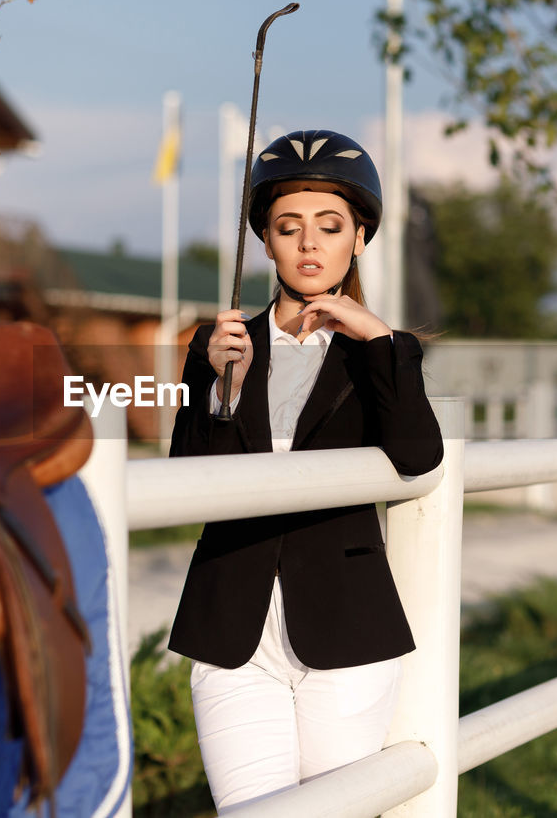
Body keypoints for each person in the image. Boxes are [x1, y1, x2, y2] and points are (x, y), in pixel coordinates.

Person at [167, 129, 444, 811]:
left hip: (346, 628)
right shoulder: (221, 346)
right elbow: (184, 478)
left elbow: (419, 454)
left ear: (359, 237)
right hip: (232, 627)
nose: (309, 243)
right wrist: (220, 383)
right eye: (289, 227)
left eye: (330, 226)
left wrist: (378, 338)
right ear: (265, 241)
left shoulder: (380, 353)